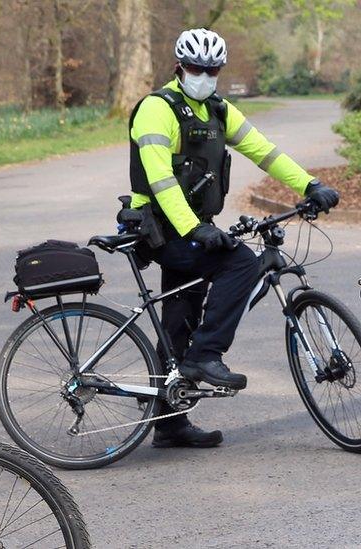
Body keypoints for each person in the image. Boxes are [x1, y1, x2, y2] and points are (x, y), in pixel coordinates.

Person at [126, 28, 339, 448]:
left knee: (180, 315)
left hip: (191, 228)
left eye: (211, 69)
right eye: (195, 68)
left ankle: (169, 424)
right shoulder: (157, 109)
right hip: (160, 227)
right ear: (179, 67)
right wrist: (195, 228)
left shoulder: (218, 111)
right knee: (240, 262)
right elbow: (161, 178)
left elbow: (265, 151)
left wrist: (309, 185)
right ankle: (207, 356)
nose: (203, 75)